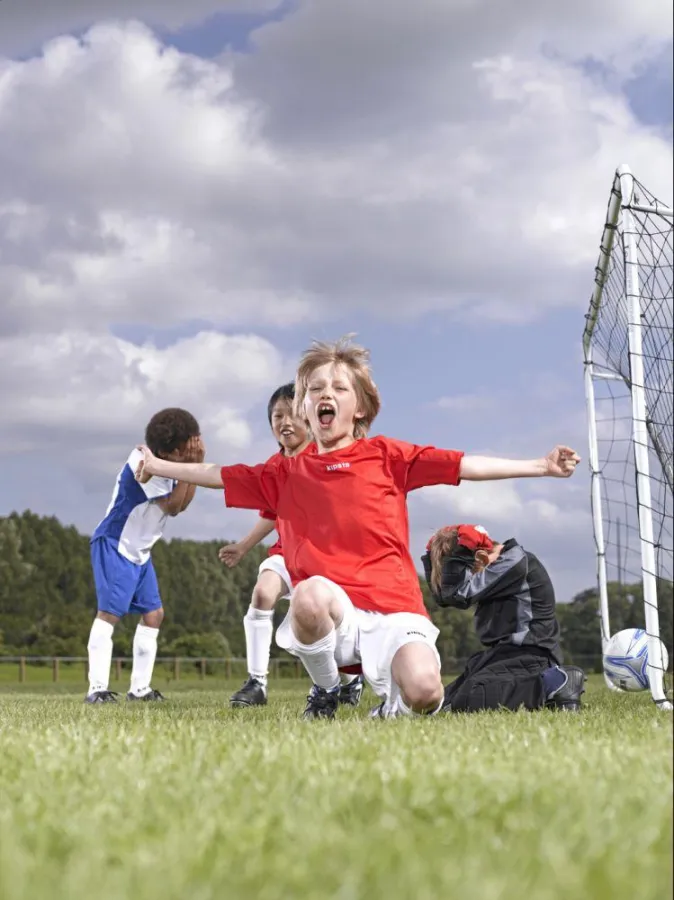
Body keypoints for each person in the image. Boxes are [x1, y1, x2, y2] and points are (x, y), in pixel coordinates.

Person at [134, 337, 580, 721]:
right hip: (337, 612)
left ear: (360, 405)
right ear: (305, 408)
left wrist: (541, 465)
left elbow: (464, 465)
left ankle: (390, 709)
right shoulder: (286, 472)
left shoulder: (389, 456)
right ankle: (327, 689)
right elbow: (218, 473)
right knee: (306, 595)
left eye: (338, 387)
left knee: (426, 694)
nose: (324, 393)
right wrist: (156, 464)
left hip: (395, 610)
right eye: (314, 389)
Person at [219, 382, 365, 708]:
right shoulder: (274, 466)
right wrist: (243, 546)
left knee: (329, 616)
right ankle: (257, 683)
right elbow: (272, 513)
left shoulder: (327, 457)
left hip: (328, 557)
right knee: (262, 593)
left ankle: (351, 678)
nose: (285, 422)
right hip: (287, 551)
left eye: (293, 415)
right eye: (277, 416)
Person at [85, 408, 203, 703]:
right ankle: (96, 689)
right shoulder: (143, 462)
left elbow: (183, 504)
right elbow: (173, 506)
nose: (185, 455)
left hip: (140, 551)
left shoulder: (170, 464)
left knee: (153, 615)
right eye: (182, 452)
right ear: (166, 450)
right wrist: (192, 466)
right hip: (116, 544)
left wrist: (192, 468)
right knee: (110, 614)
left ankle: (139, 690)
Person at [421, 524, 586, 713]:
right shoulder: (500, 564)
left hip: (531, 657)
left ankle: (554, 683)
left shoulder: (514, 562)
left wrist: (462, 551)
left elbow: (458, 595)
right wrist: (430, 558)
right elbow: (445, 596)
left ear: (482, 558)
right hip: (503, 656)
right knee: (439, 703)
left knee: (468, 698)